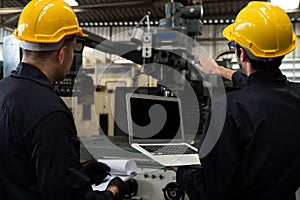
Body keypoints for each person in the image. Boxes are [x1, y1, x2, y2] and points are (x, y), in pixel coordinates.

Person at [0, 0, 127, 199]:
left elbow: (23, 173)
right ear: (61, 54)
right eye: (74, 49)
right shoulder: (50, 113)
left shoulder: (3, 90)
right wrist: (114, 191)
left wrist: (80, 173)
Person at [176, 2, 300, 200]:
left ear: (240, 53)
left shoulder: (228, 108)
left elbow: (212, 193)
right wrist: (218, 70)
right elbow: (259, 86)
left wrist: (181, 172)